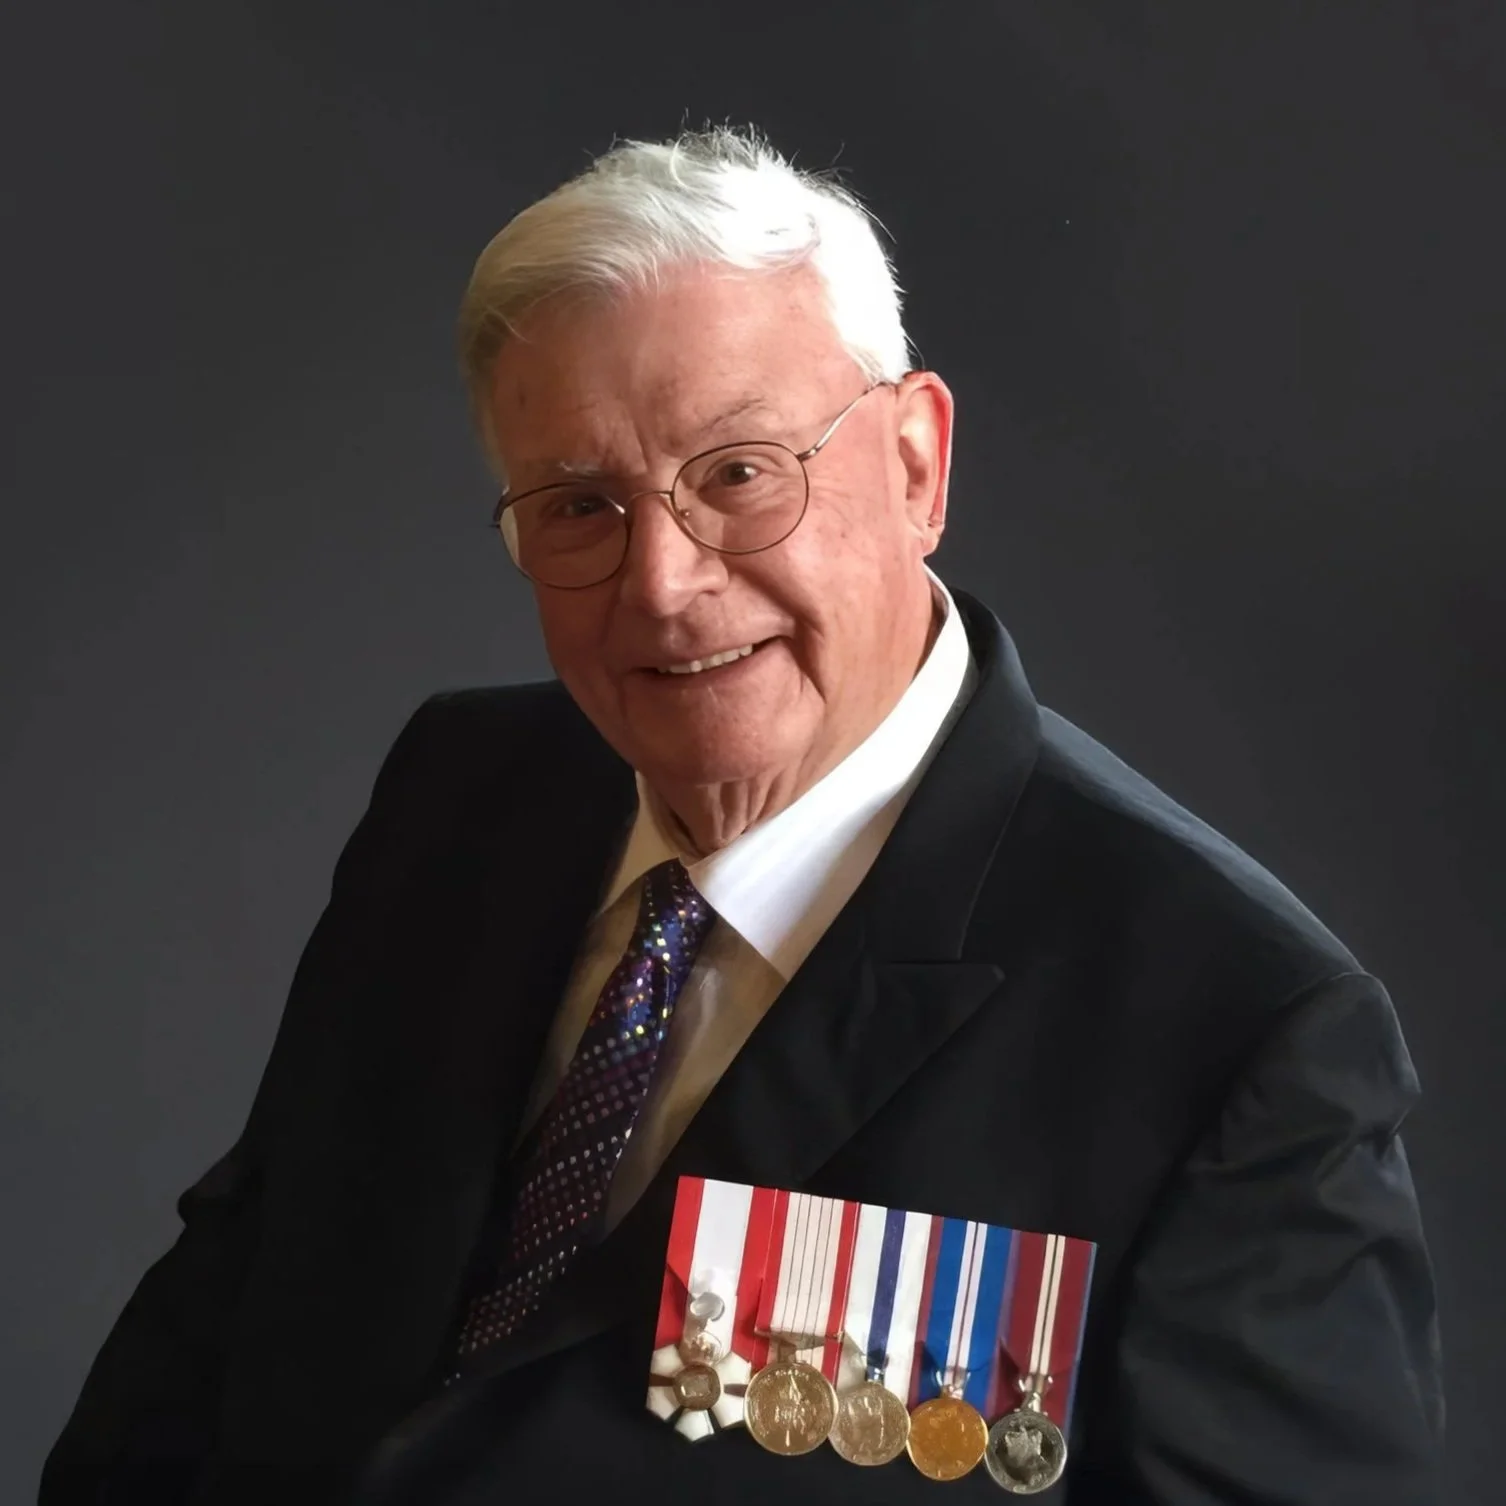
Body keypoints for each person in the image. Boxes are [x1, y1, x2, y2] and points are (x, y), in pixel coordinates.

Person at [40, 126, 1442, 1505]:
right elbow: (219, 1329)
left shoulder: (1232, 1025)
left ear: (915, 465)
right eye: (579, 504)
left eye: (738, 472)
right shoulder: (459, 796)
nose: (661, 584)